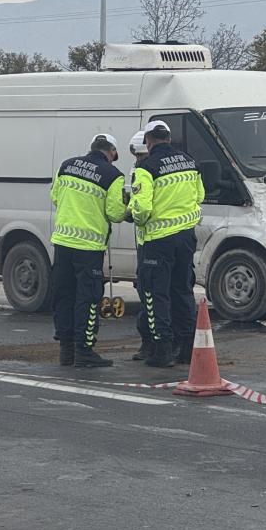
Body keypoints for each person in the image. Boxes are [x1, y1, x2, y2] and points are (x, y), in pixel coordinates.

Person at [130, 120, 205, 368]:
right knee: (182, 291)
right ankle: (187, 348)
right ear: (169, 138)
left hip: (157, 240)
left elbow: (142, 209)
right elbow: (200, 196)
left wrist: (133, 214)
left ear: (148, 141)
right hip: (186, 237)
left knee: (155, 295)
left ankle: (162, 349)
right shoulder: (190, 162)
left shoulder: (146, 167)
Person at [49, 133, 126, 368]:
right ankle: (84, 349)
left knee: (64, 295)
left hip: (63, 242)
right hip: (89, 247)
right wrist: (127, 207)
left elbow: (55, 197)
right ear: (111, 152)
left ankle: (66, 350)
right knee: (88, 298)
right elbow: (115, 213)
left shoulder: (66, 166)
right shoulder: (113, 175)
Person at [126, 132, 154, 362]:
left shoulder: (144, 172)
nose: (136, 161)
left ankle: (151, 345)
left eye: (139, 156)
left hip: (150, 242)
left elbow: (141, 209)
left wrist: (130, 213)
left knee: (150, 296)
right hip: (173, 240)